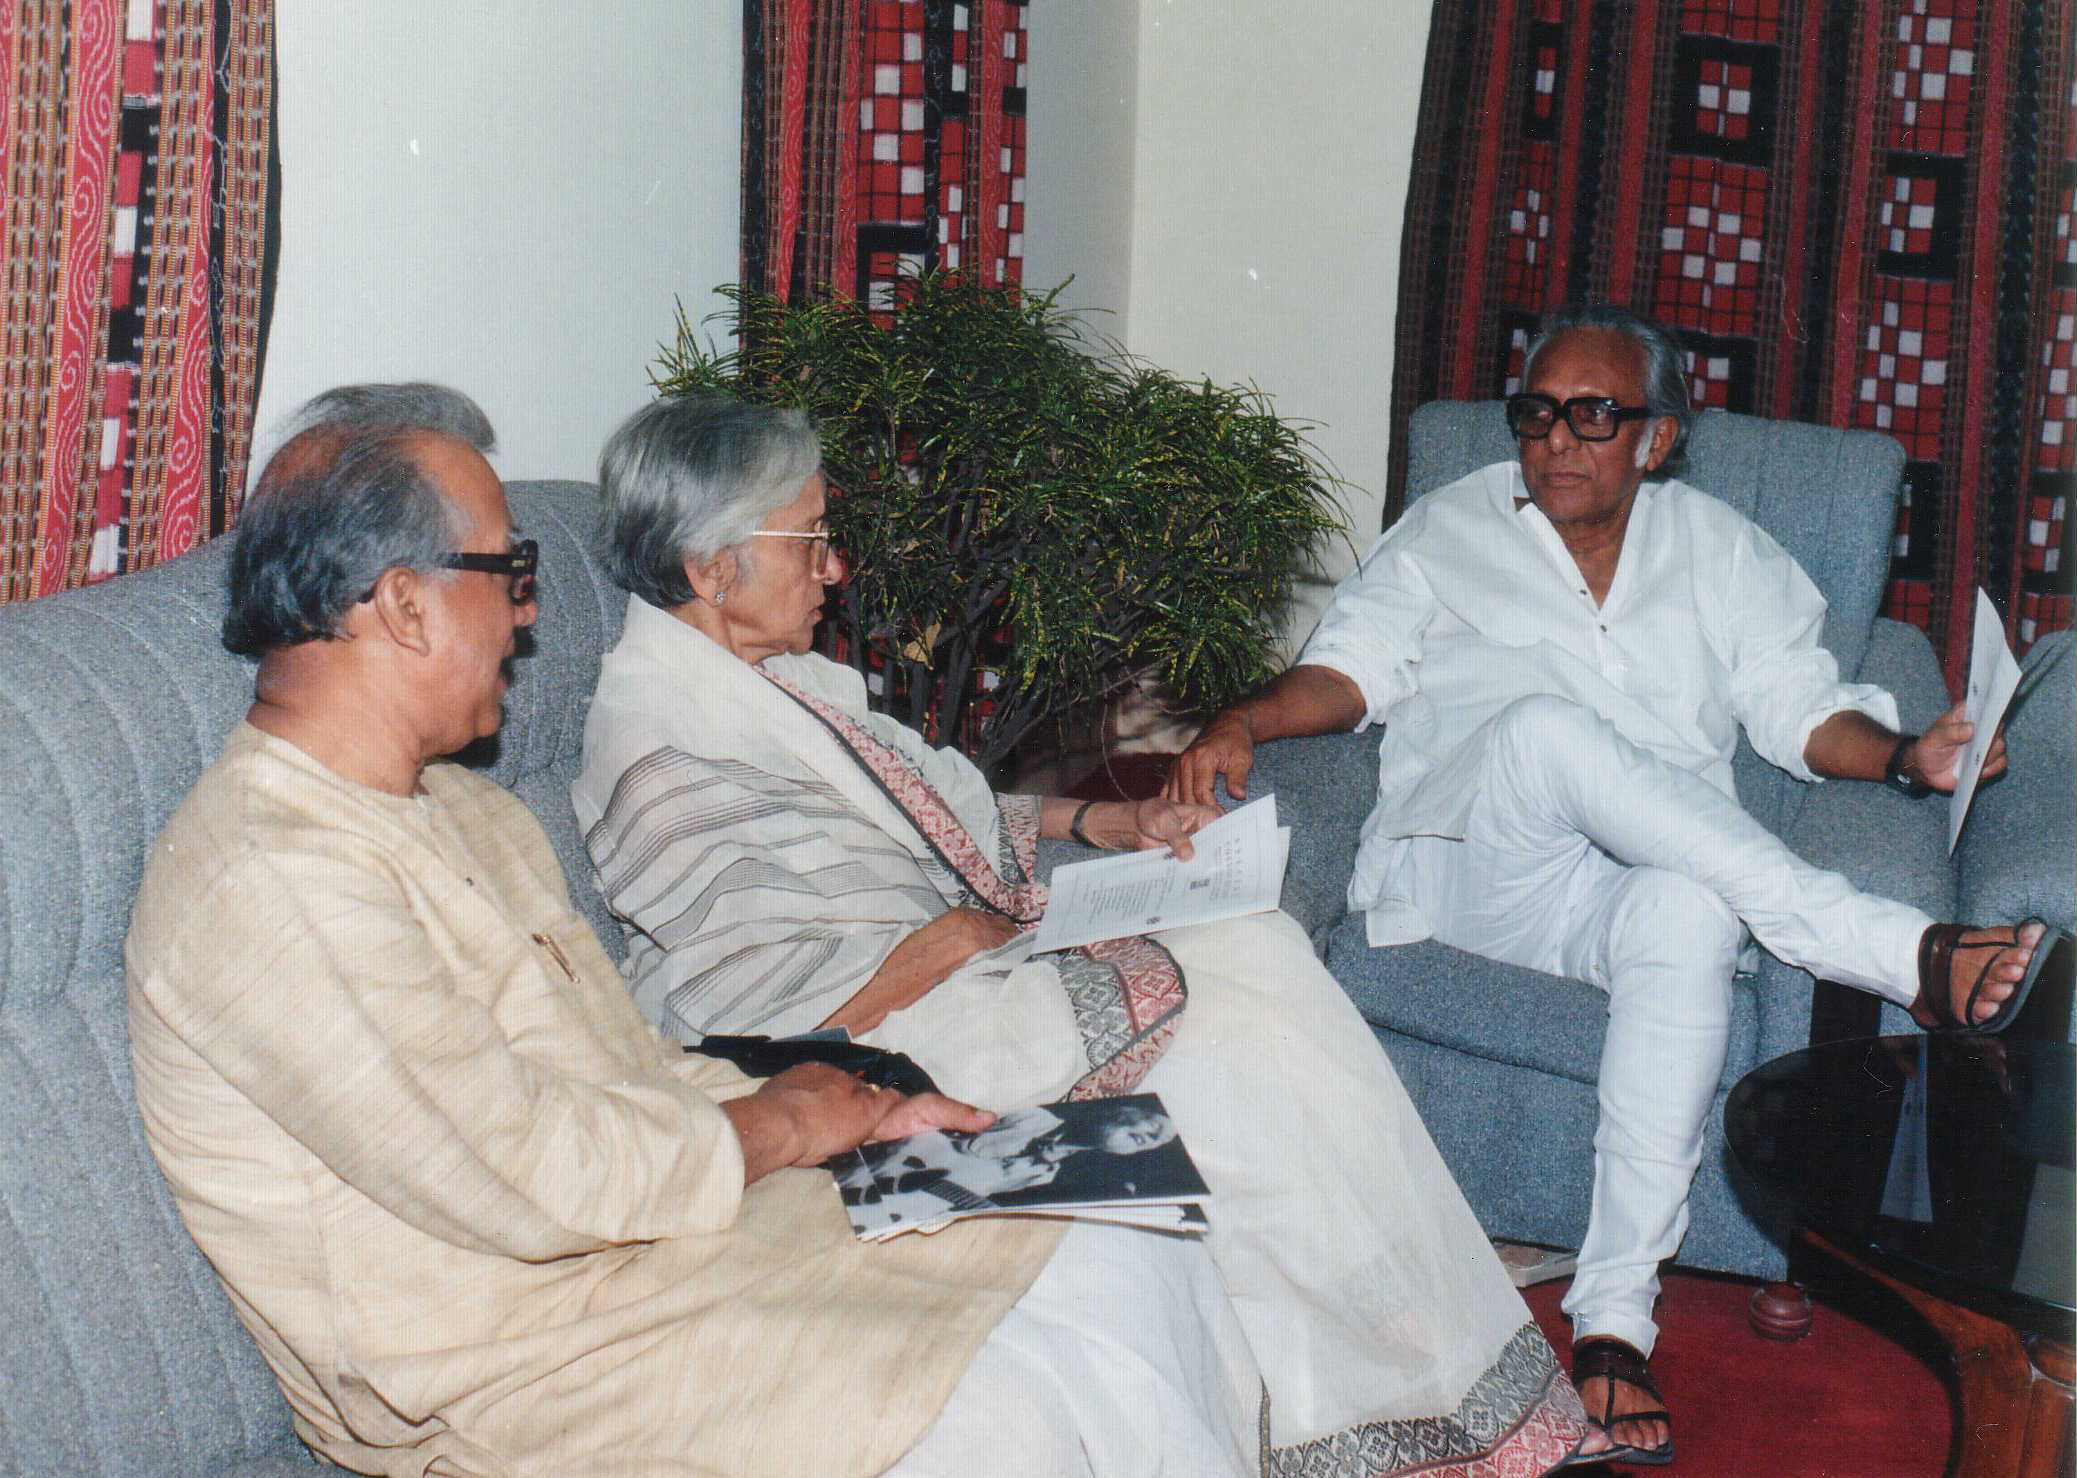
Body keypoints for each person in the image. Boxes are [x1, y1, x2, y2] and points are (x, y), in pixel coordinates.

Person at [128, 384, 1276, 1478]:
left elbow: (624, 1061)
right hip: (520, 1364)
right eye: (510, 570)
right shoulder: (272, 877)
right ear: (404, 603)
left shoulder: (464, 811)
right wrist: (788, 1122)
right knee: (1004, 1410)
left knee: (1119, 1227)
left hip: (664, 1245)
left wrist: (862, 1105)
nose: (529, 613)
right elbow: (524, 1171)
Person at [573, 393, 1607, 1475]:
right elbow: (737, 1009)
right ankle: (1382, 1399)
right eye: (811, 540)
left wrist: (1104, 822)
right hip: (878, 1045)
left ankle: (1404, 1375)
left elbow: (940, 813)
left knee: (1255, 943)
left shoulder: (771, 681)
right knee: (1231, 1031)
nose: (835, 570)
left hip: (955, 979)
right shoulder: (657, 741)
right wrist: (942, 945)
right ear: (711, 569)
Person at [1163, 301, 2061, 1464]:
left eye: (1592, 416)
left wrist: (1904, 758)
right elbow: (1346, 672)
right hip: (1466, 868)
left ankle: (1613, 1322)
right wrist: (1243, 716)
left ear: (1657, 437)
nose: (1555, 441)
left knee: (1690, 909)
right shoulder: (1448, 529)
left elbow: (1796, 711)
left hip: (1617, 887)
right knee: (1546, 729)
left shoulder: (1719, 550)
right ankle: (1895, 949)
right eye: (1536, 413)